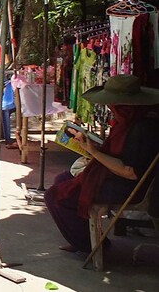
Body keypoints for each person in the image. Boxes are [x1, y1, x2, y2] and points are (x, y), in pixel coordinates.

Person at [44, 75, 159, 254]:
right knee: (62, 179)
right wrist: (93, 147)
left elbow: (129, 172)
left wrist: (95, 152)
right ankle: (86, 237)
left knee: (55, 196)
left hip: (131, 187)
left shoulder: (142, 129)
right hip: (117, 177)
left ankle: (90, 246)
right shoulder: (129, 121)